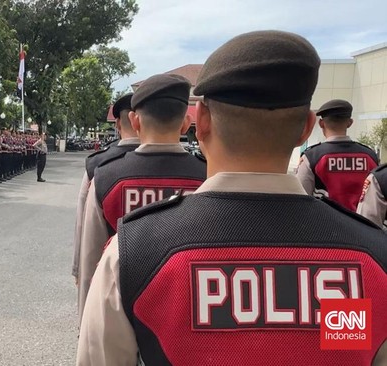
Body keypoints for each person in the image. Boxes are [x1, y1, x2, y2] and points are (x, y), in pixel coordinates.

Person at [76, 30, 387, 366]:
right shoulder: (370, 261)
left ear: (203, 121)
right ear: (306, 127)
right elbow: (342, 347)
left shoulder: (134, 252)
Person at [76, 74, 206, 321]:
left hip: (120, 309)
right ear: (185, 123)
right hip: (185, 311)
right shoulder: (206, 177)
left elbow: (91, 260)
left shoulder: (107, 177)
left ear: (135, 122)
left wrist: (86, 323)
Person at [72, 93, 139, 284]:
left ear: (118, 124)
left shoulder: (97, 165)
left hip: (107, 274)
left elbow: (82, 223)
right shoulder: (173, 164)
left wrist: (79, 269)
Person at [296, 99, 378, 211]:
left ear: (321, 124)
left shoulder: (312, 157)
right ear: (350, 123)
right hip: (363, 225)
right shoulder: (370, 156)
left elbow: (302, 198)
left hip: (325, 224)